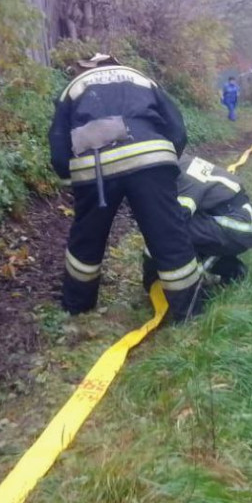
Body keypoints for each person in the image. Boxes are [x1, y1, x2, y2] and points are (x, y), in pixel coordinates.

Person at [48, 53, 205, 322]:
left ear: (88, 68)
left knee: (86, 239)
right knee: (169, 235)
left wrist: (74, 183)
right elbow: (177, 129)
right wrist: (165, 167)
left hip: (97, 170)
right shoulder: (141, 79)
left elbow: (59, 145)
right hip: (150, 161)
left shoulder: (75, 86)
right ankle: (189, 311)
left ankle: (77, 308)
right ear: (116, 65)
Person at [143, 152, 252, 291]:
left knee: (168, 230)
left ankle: (193, 286)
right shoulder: (180, 162)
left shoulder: (178, 175)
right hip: (239, 221)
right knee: (172, 230)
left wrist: (151, 267)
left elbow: (174, 222)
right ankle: (229, 268)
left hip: (235, 224)